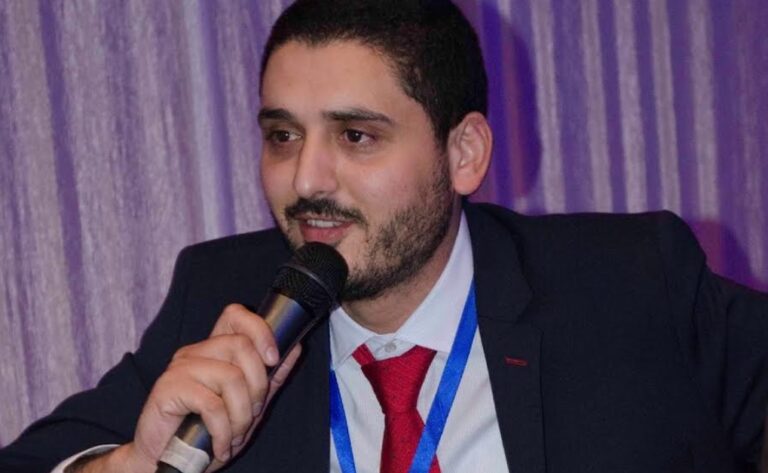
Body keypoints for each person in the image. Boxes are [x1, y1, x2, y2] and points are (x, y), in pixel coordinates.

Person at [1, 0, 767, 472]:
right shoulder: (222, 297)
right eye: (282, 136)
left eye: (357, 136)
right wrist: (135, 463)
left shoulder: (630, 283)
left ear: (463, 153)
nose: (306, 179)